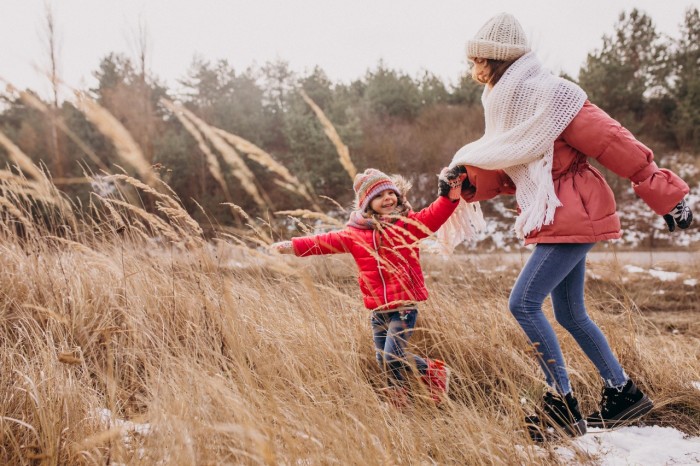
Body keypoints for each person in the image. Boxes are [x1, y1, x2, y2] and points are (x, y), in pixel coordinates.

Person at [441, 12, 694, 441]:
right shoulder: (504, 104)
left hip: (575, 208)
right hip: (553, 211)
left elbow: (613, 142)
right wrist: (467, 179)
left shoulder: (554, 96)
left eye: (479, 59)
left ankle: (561, 403)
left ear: (498, 59)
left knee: (522, 303)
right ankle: (623, 395)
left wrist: (664, 194)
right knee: (569, 312)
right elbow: (510, 172)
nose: (474, 69)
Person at [270, 167, 466, 406]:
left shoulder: (407, 224)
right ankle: (399, 396)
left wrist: (449, 197)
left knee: (393, 354)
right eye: (379, 196)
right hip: (378, 309)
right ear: (366, 204)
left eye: (390, 193)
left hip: (403, 305)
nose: (388, 199)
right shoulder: (355, 234)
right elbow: (324, 241)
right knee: (383, 357)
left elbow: (433, 216)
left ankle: (432, 372)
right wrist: (292, 246)